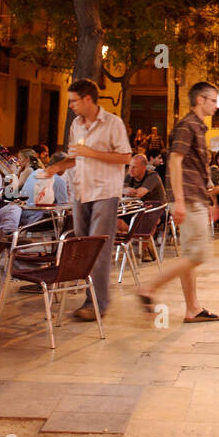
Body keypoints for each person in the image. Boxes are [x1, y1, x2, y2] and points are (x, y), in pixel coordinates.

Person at [43, 79, 131, 321]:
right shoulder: (76, 126)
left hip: (105, 192)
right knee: (83, 248)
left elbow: (125, 157)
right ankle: (89, 298)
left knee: (98, 248)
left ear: (88, 99)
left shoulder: (113, 123)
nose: (70, 105)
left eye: (73, 101)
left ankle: (98, 304)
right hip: (81, 192)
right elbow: (76, 158)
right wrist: (58, 167)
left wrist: (91, 153)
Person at [136, 82, 219, 323]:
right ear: (200, 100)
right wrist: (180, 202)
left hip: (196, 197)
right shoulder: (187, 125)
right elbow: (174, 161)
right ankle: (148, 288)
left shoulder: (198, 127)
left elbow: (198, 169)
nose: (216, 105)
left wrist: (211, 200)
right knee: (198, 254)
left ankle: (193, 309)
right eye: (213, 100)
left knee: (190, 256)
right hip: (188, 198)